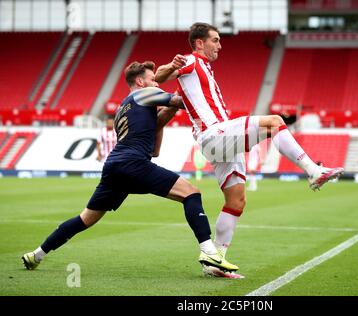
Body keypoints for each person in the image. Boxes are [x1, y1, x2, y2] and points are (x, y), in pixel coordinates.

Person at [155, 22, 344, 276]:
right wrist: (171, 65)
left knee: (236, 201)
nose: (220, 46)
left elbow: (175, 95)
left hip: (220, 142)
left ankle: (215, 262)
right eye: (215, 40)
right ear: (200, 43)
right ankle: (312, 171)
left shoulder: (198, 73)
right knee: (276, 122)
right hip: (214, 134)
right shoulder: (190, 61)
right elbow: (158, 77)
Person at [21, 61, 240, 278]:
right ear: (140, 81)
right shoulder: (143, 95)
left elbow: (154, 149)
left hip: (115, 166)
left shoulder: (123, 109)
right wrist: (194, 90)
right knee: (191, 193)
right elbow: (181, 101)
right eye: (153, 80)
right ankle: (209, 252)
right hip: (132, 163)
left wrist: (167, 112)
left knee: (85, 219)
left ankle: (37, 254)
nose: (157, 83)